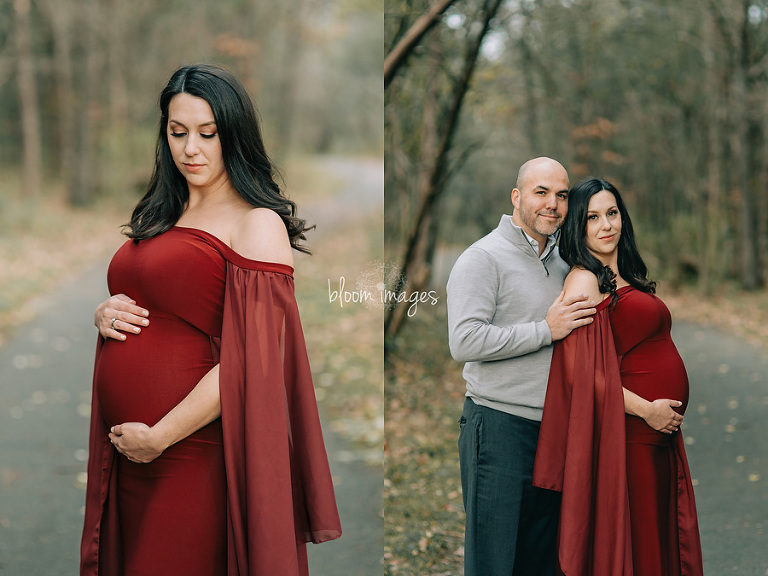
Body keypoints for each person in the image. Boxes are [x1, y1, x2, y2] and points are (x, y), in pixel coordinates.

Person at [80, 64, 341, 576]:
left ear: (235, 135)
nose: (190, 149)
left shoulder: (257, 223)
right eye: (178, 133)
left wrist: (161, 436)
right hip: (129, 450)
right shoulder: (163, 212)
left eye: (207, 133)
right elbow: (156, 302)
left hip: (190, 452)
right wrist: (104, 311)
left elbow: (256, 361)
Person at [533, 177, 703, 575]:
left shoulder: (621, 274)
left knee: (658, 538)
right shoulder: (583, 280)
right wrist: (647, 410)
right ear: (578, 225)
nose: (606, 225)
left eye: (612, 213)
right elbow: (581, 374)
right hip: (631, 431)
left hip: (655, 433)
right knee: (641, 543)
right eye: (593, 218)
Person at [446, 157, 596, 576]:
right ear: (517, 197)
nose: (553, 204)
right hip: (499, 429)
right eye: (541, 192)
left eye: (562, 195)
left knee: (543, 561)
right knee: (496, 561)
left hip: (558, 432)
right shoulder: (483, 258)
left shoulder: (567, 263)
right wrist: (545, 330)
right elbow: (465, 340)